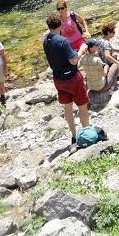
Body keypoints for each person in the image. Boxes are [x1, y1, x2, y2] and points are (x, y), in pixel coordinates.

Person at [43, 13, 90, 145]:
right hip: (72, 78)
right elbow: (74, 60)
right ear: (60, 25)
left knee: (68, 107)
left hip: (58, 79)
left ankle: (74, 136)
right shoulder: (63, 41)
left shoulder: (46, 41)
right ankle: (87, 133)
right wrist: (82, 49)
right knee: (82, 105)